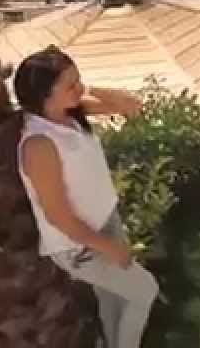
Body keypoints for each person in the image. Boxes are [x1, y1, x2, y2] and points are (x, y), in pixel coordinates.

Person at [15, 46, 158, 348]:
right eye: (70, 85)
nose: (79, 88)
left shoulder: (70, 113)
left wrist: (88, 89)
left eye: (78, 80)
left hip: (105, 221)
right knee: (145, 291)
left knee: (115, 300)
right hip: (79, 244)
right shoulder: (39, 144)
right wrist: (109, 248)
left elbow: (131, 105)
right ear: (44, 95)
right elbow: (58, 216)